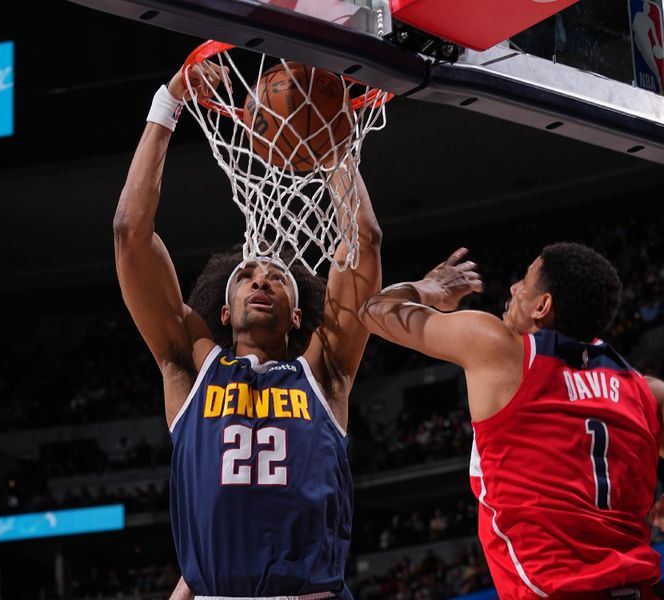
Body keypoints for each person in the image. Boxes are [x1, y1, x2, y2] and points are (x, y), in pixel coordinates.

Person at [113, 63, 382, 600]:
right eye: (249, 277)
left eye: (277, 277)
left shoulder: (324, 372)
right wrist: (169, 104)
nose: (261, 280)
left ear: (299, 313)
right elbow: (129, 233)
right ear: (226, 311)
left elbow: (364, 243)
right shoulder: (190, 366)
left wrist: (334, 153)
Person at [358, 243, 664, 600]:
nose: (513, 288)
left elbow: (374, 310)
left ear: (542, 306)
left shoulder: (500, 348)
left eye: (525, 280)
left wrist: (429, 289)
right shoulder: (646, 392)